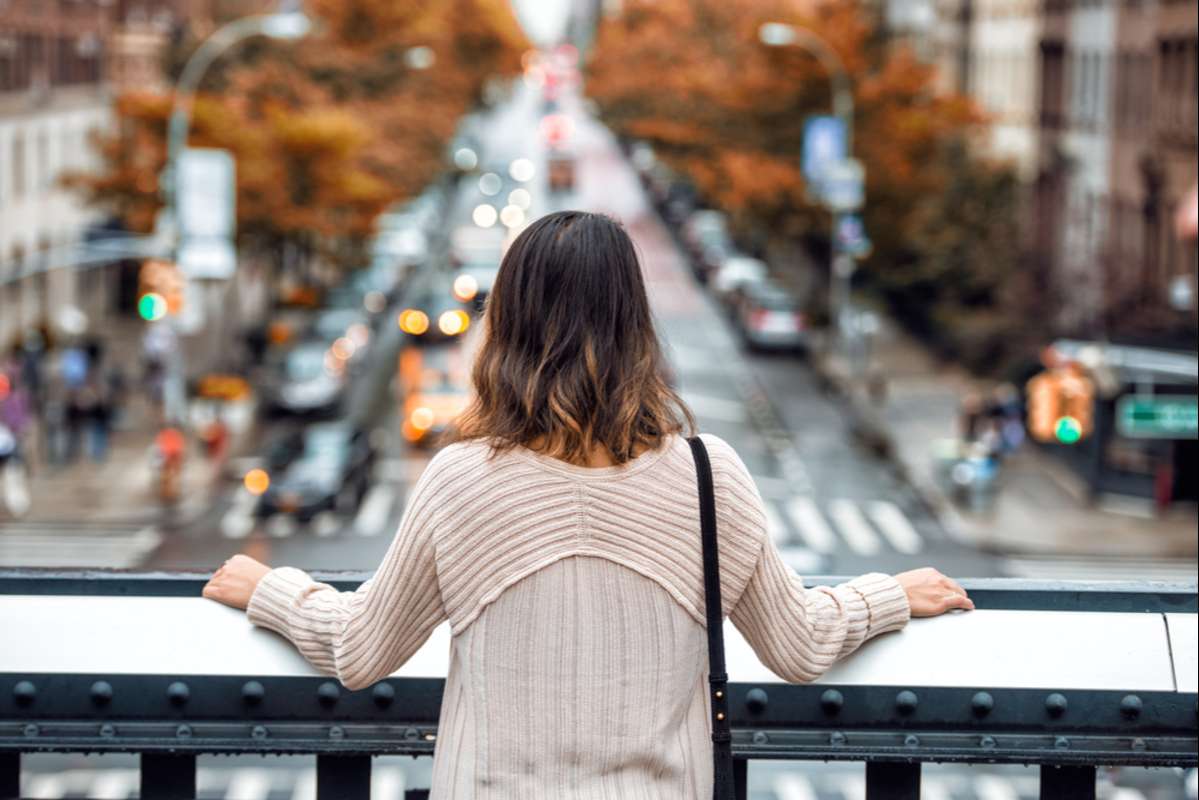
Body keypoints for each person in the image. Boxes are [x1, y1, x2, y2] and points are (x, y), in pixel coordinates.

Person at [203, 211, 972, 799]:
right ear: (635, 324)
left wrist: (268, 589)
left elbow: (360, 651)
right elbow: (799, 645)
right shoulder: (709, 476)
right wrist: (889, 595)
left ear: (505, 326)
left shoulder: (460, 478)